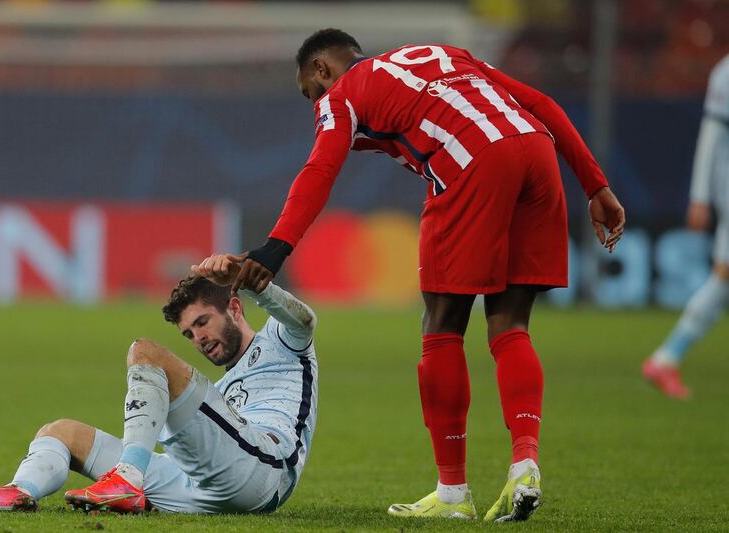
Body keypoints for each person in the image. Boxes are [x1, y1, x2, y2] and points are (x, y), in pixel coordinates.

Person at [231, 29, 625, 522]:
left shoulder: (343, 94)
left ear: (321, 71)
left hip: (470, 163)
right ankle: (525, 462)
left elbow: (319, 169)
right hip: (535, 152)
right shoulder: (441, 53)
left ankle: (453, 493)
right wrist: (595, 185)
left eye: (311, 94)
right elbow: (541, 103)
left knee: (440, 330)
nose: (316, 106)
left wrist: (275, 248)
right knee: (510, 328)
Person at [0, 254, 318, 515]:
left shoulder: (282, 341)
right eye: (188, 333)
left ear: (234, 309)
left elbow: (304, 320)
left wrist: (254, 284)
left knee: (146, 353)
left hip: (265, 471)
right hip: (202, 488)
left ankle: (126, 479)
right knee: (61, 432)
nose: (198, 338)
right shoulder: (226, 386)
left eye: (203, 322)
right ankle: (20, 491)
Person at [643, 54, 729, 399]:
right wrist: (700, 196)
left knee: (724, 279)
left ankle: (666, 358)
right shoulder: (726, 72)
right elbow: (711, 133)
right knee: (724, 276)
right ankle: (666, 357)